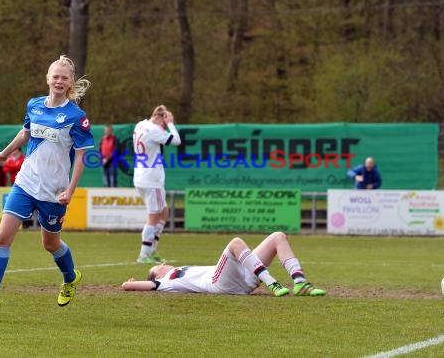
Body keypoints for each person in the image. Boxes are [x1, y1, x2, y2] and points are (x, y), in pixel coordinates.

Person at [0, 55, 94, 315]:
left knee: (50, 244)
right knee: (2, 237)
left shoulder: (76, 117)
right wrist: (5, 152)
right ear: (47, 78)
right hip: (25, 183)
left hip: (54, 192)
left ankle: (70, 278)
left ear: (70, 83)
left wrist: (70, 190)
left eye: (64, 78)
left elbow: (81, 156)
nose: (59, 81)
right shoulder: (34, 105)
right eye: (55, 76)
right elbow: (25, 133)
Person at [122, 231, 326, 297]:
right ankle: (272, 283)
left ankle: (300, 283)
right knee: (235, 243)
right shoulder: (166, 280)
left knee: (278, 236)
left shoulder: (176, 271)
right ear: (156, 275)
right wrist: (131, 283)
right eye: (156, 266)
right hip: (219, 284)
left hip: (238, 278)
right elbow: (143, 286)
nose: (162, 264)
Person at [133, 105, 181, 264]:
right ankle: (144, 254)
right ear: (161, 118)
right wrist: (171, 124)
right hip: (152, 178)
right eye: (164, 123)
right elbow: (176, 140)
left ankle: (152, 250)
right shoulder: (154, 130)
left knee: (164, 212)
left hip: (141, 176)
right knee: (153, 216)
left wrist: (161, 112)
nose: (164, 127)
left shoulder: (140, 124)